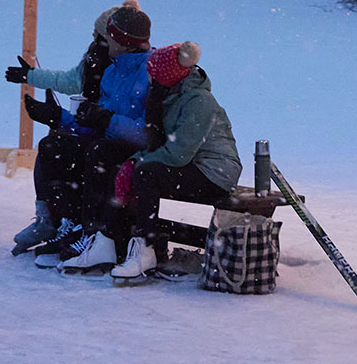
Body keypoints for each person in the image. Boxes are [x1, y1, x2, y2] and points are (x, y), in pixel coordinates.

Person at [60, 41, 242, 280]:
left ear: (167, 76)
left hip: (215, 173)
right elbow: (154, 144)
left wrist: (136, 163)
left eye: (153, 75)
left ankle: (145, 249)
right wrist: (133, 160)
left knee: (146, 173)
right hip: (191, 165)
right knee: (124, 166)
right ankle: (106, 242)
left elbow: (178, 153)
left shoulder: (199, 101)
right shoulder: (166, 97)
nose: (149, 79)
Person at [3, 0, 140, 255]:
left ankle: (80, 226)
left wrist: (67, 118)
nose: (93, 37)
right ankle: (51, 219)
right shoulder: (96, 56)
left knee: (69, 147)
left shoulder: (121, 64)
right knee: (52, 144)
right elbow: (71, 80)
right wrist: (31, 77)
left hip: (108, 133)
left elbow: (117, 116)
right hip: (94, 124)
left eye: (98, 33)